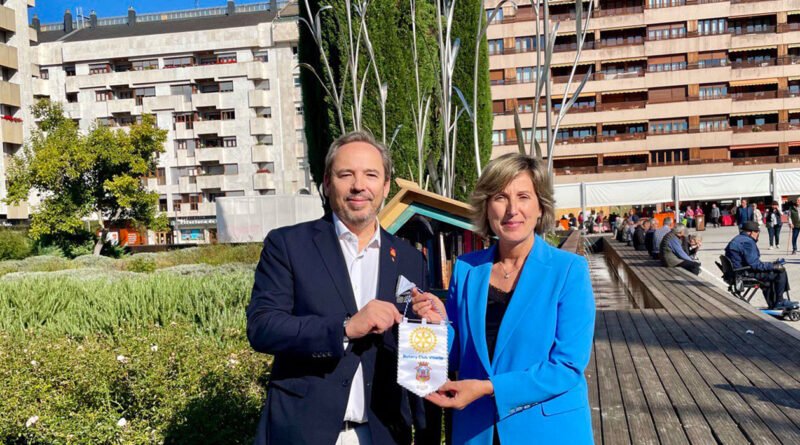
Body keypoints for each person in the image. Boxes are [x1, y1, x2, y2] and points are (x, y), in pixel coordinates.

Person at [246, 131, 437, 445]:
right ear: (327, 182)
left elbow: (414, 353)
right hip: (305, 433)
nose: (359, 185)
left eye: (371, 175)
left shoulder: (409, 259)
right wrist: (345, 328)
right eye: (346, 174)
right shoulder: (288, 245)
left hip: (384, 433)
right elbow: (263, 327)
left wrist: (428, 325)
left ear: (386, 186)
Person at [411, 153, 595, 444]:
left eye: (523, 196)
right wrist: (438, 323)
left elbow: (567, 367)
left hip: (547, 430)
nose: (512, 210)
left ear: (540, 206)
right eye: (500, 197)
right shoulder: (467, 269)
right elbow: (458, 351)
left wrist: (488, 387)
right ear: (486, 207)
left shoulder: (569, 271)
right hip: (477, 428)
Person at [725, 221, 791, 309]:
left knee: (768, 278)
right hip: (743, 274)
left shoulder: (738, 238)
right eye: (756, 232)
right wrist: (774, 266)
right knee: (780, 271)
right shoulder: (747, 242)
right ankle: (779, 301)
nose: (757, 234)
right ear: (750, 232)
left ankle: (773, 303)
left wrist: (771, 265)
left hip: (736, 273)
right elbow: (755, 265)